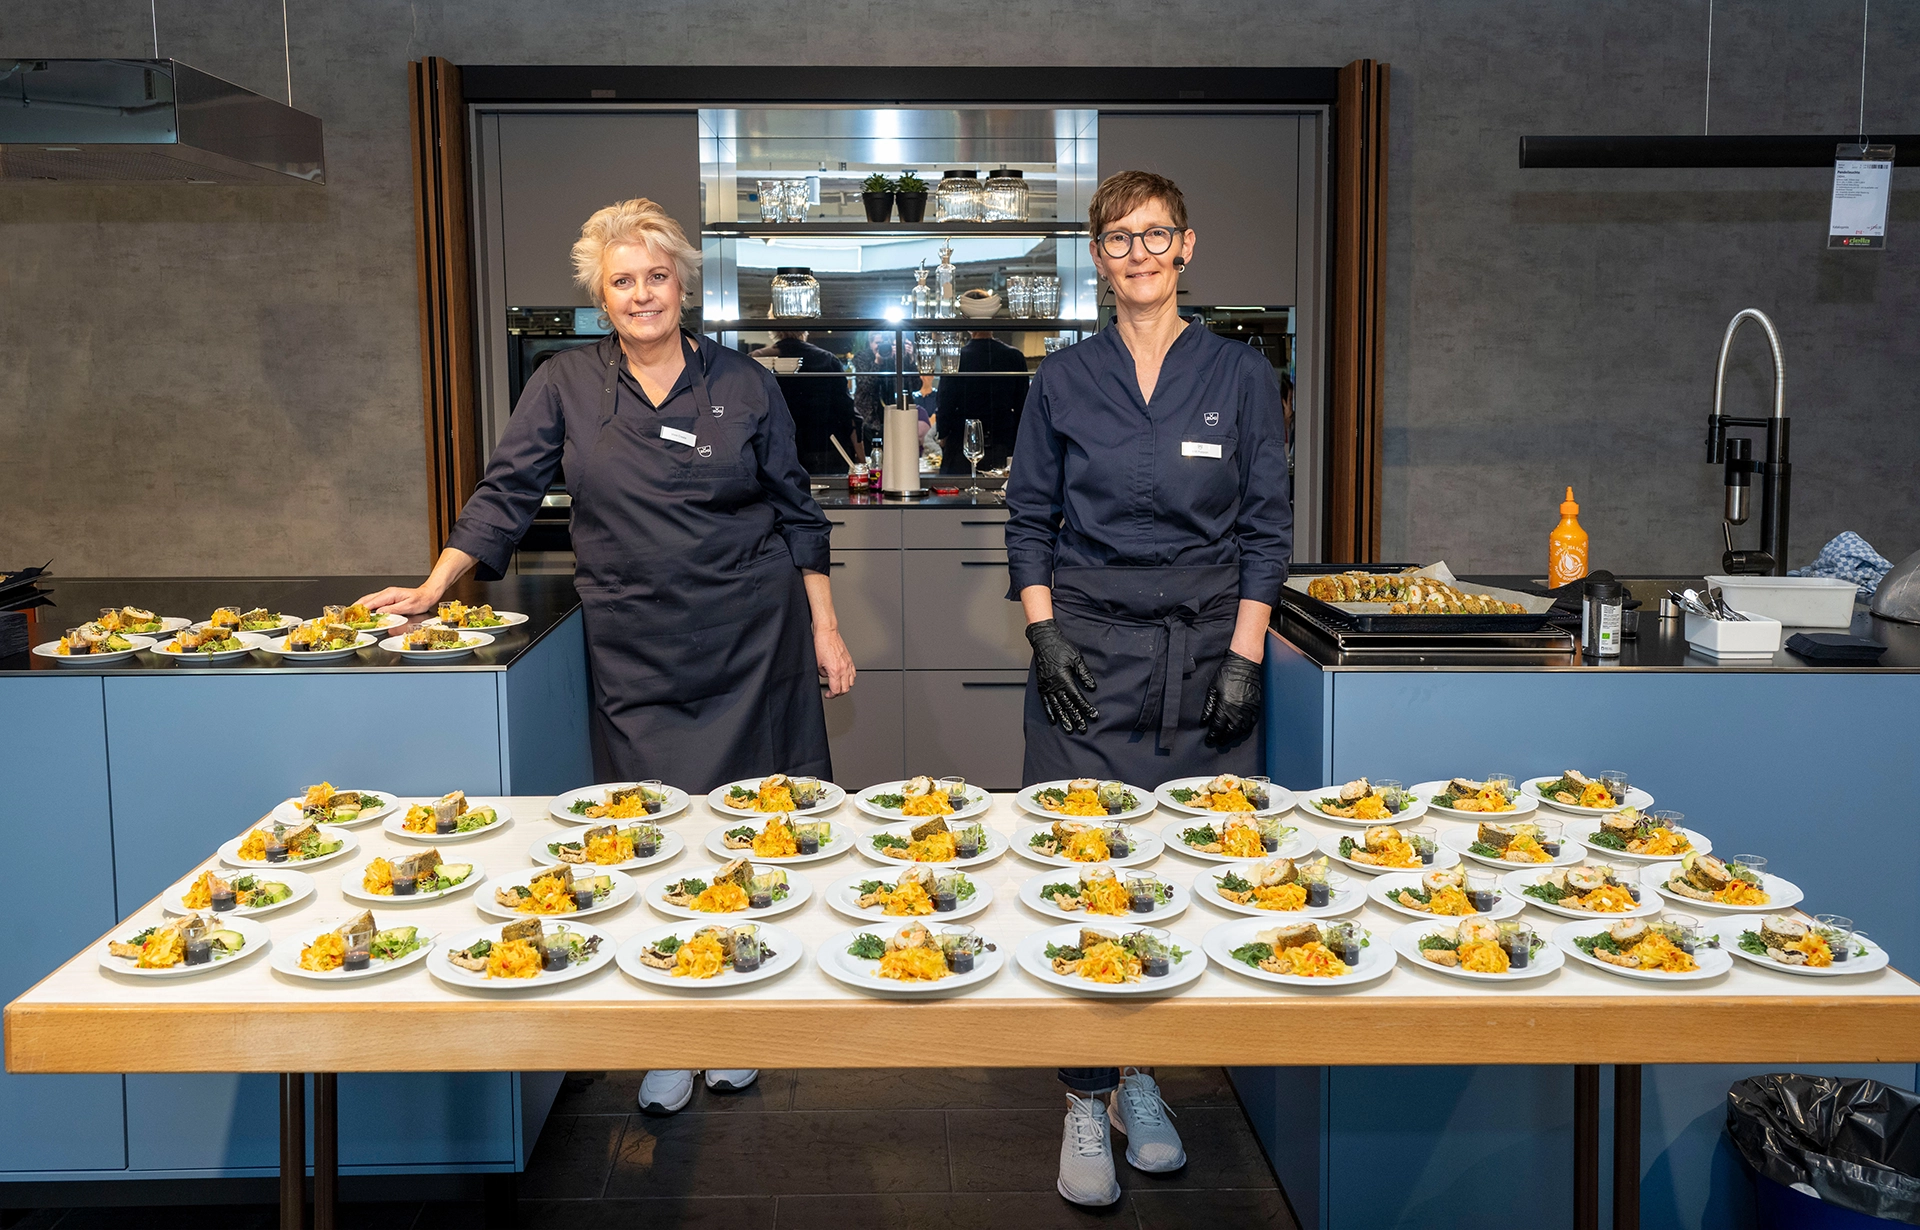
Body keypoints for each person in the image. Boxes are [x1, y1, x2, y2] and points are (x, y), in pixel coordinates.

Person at [357, 198, 856, 1118]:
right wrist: (434, 586)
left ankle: (735, 1007)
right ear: (601, 296)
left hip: (752, 637)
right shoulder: (563, 384)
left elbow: (799, 513)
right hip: (634, 643)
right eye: (623, 281)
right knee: (648, 835)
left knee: (750, 829)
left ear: (683, 286)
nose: (642, 294)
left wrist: (824, 627)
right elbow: (505, 494)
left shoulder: (745, 382)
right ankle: (665, 1030)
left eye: (657, 277)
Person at [1003, 170, 1292, 1207]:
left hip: (1202, 660)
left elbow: (1266, 529)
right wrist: (1044, 637)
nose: (1139, 253)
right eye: (1119, 238)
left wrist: (1245, 658)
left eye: (1155, 234)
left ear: (1187, 246)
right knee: (1082, 871)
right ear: (1098, 256)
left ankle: (1141, 1079)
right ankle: (1084, 1096)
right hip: (1085, 662)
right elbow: (1028, 520)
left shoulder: (1240, 375)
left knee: (1173, 876)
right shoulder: (1062, 378)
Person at [754, 330, 855, 472]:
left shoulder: (758, 358)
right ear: (805, 330)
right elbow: (847, 412)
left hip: (774, 450)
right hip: (822, 448)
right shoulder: (827, 359)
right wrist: (861, 458)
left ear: (772, 330)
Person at [936, 329, 1029, 474]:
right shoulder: (1014, 356)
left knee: (959, 487)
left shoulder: (956, 357)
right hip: (1003, 441)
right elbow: (1023, 406)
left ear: (968, 326)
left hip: (962, 441)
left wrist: (943, 434)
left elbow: (945, 403)